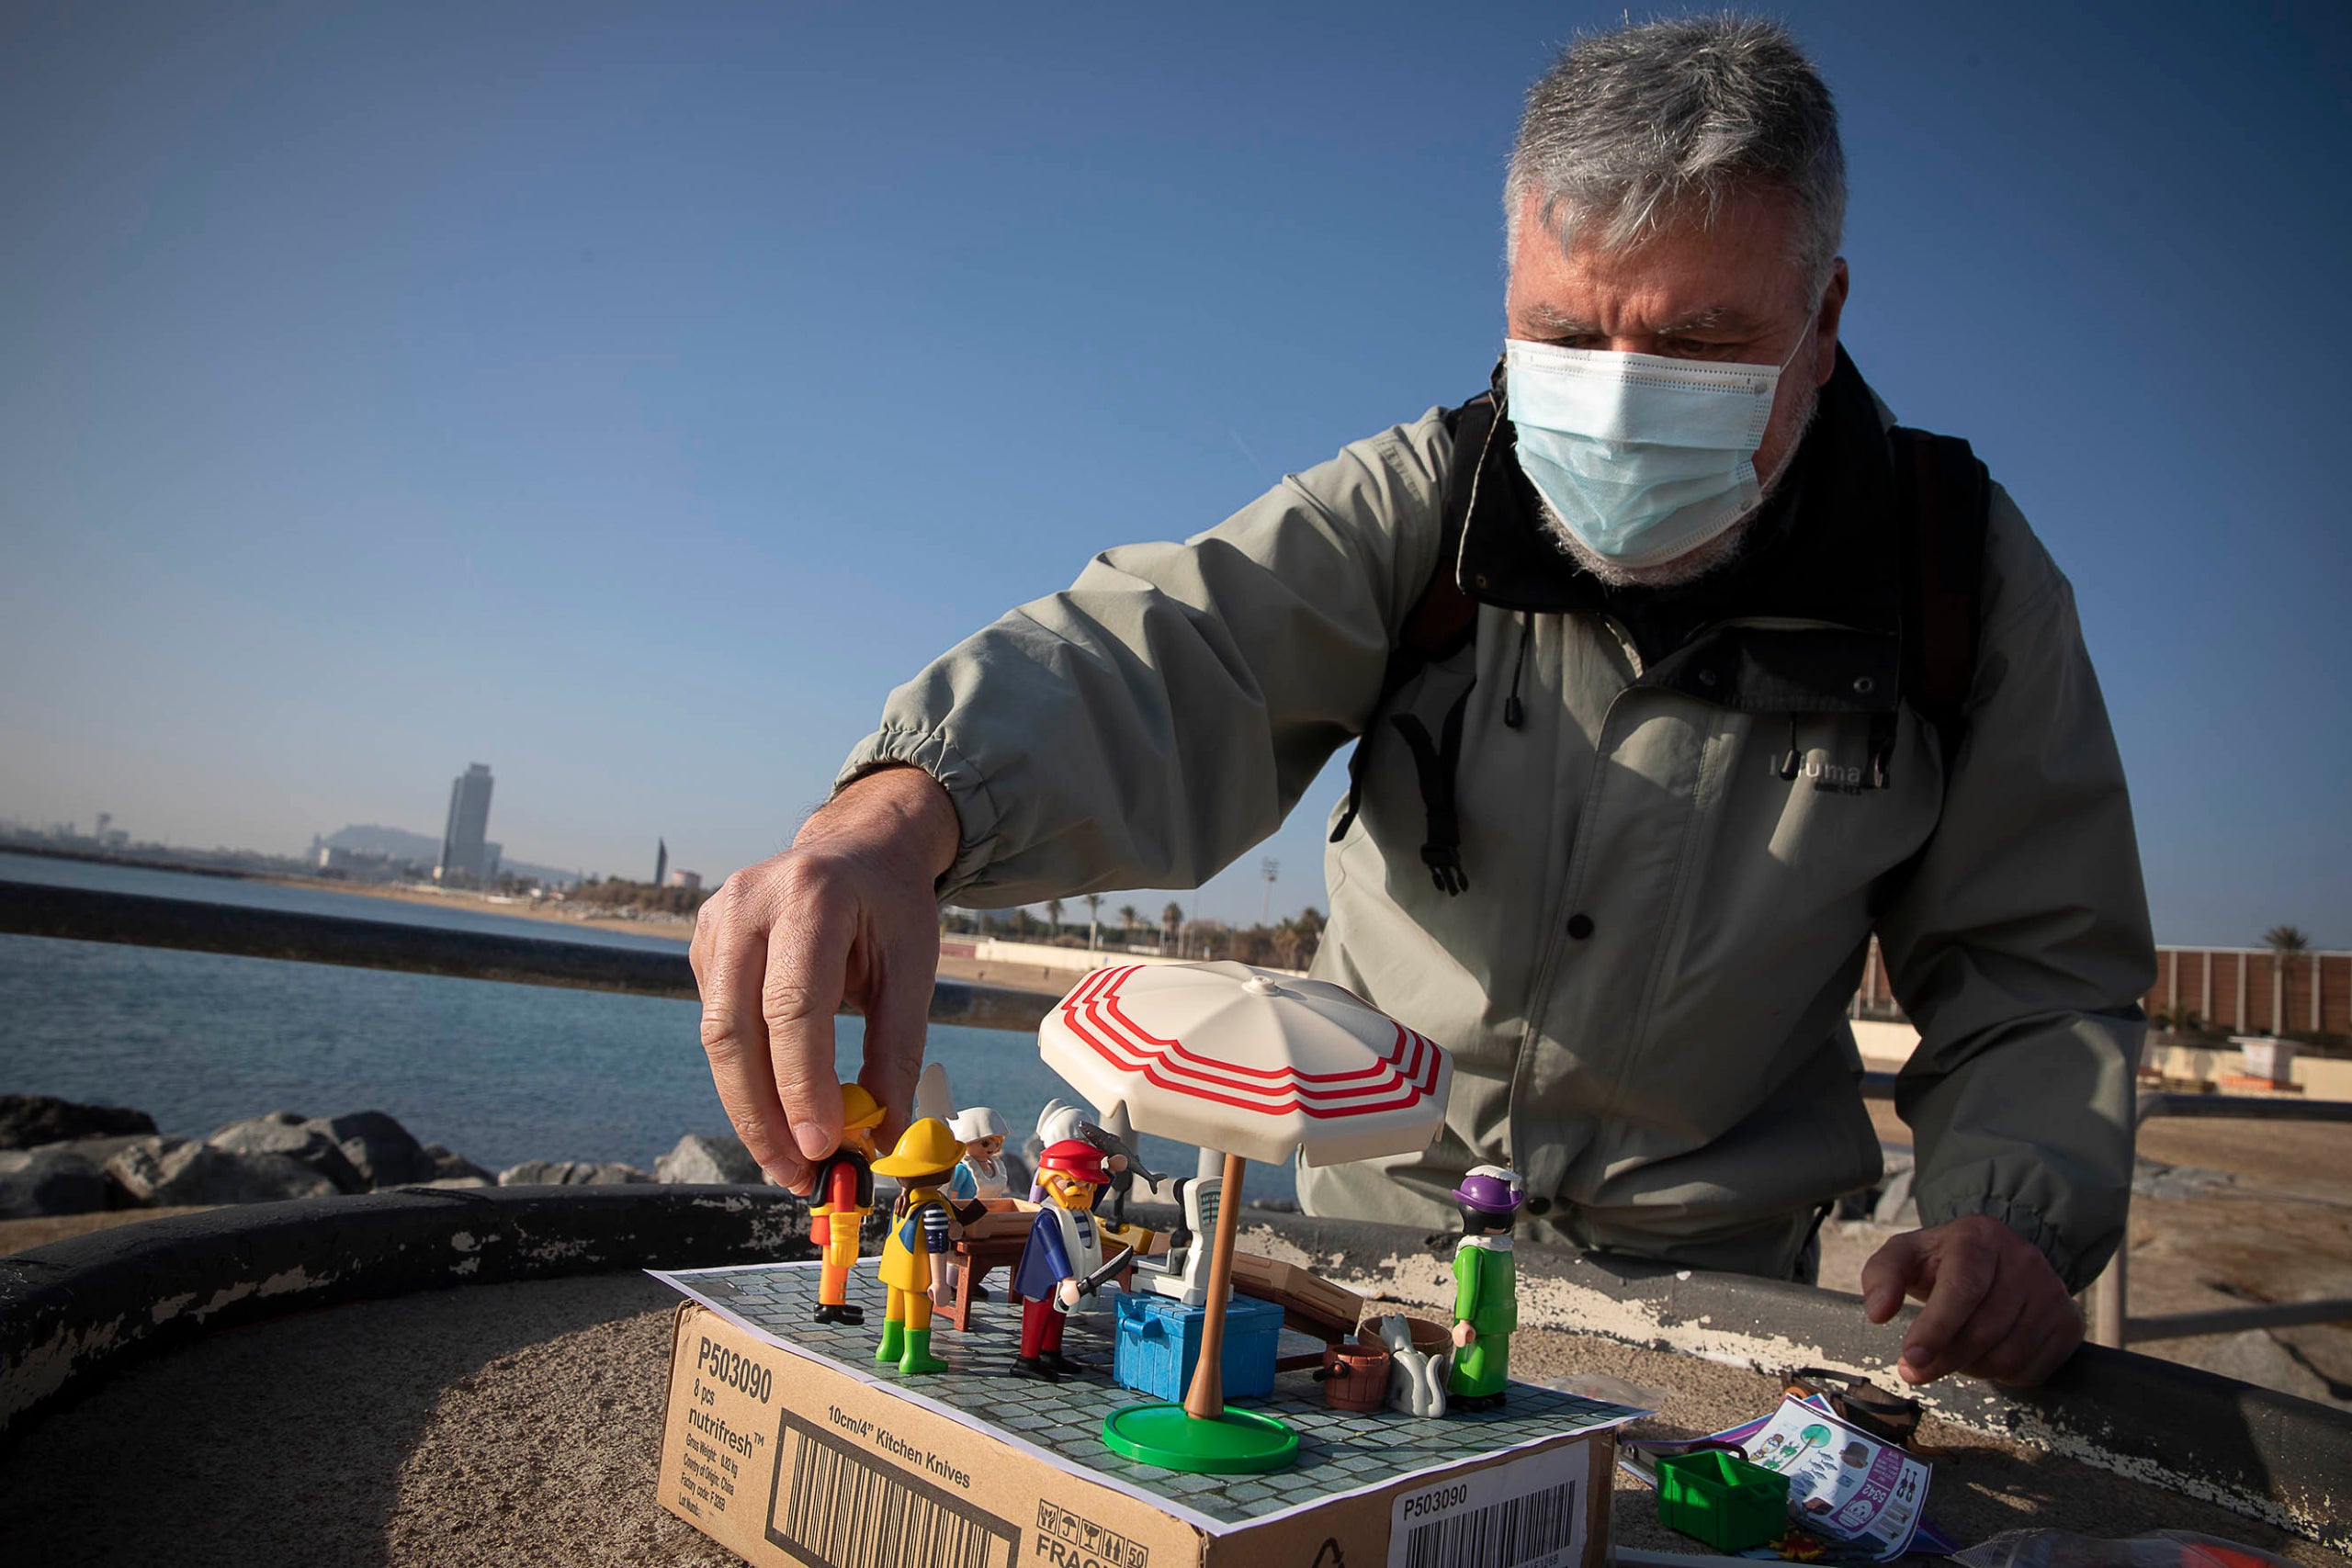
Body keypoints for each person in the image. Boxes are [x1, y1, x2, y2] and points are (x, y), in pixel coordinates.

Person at [690, 17, 2154, 1391]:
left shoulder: (1958, 576)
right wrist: (899, 811)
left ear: (1822, 316)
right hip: (1353, 1250)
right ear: (1507, 297)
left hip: (1708, 1296)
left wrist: (2011, 1217)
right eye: (1568, 337)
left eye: (1702, 345)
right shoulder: (1428, 501)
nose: (1622, 398)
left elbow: (2034, 959)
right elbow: (1174, 645)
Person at [871, 1117, 986, 1374]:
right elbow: (936, 1246)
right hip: (918, 1274)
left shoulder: (904, 1200)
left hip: (894, 1268)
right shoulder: (933, 1207)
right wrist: (939, 1282)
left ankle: (889, 1347)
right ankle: (915, 1356)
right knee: (917, 1313)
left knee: (895, 1308)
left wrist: (954, 1226)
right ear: (943, 1171)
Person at [1008, 1138, 1112, 1381]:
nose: (1081, 1189)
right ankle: (1027, 1358)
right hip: (1043, 1280)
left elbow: (1094, 1197)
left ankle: (1050, 1353)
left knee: (1058, 1315)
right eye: (1072, 1182)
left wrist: (1110, 1172)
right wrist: (1065, 1279)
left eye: (1087, 1185)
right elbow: (1053, 1250)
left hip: (1066, 1281)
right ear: (1049, 1179)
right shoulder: (1048, 1217)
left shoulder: (1079, 1209)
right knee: (1038, 1317)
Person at [1448, 1165, 1524, 1411]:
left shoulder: (1473, 1251)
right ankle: (1496, 1390)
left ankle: (1472, 1393)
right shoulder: (1503, 1249)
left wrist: (1464, 1320)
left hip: (1479, 1317)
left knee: (1475, 1357)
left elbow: (1469, 1289)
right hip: (1503, 1314)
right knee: (1497, 1355)